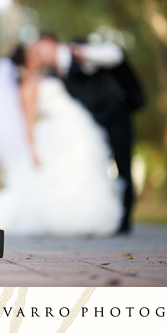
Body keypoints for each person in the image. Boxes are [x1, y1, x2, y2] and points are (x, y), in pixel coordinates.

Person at [0, 43, 124, 237]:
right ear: (27, 61)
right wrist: (33, 151)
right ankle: (70, 217)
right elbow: (27, 122)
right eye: (33, 54)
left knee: (79, 169)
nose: (39, 56)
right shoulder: (28, 86)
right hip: (58, 131)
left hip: (75, 126)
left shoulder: (45, 77)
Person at [34, 33, 145, 234]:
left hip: (115, 112)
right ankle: (109, 215)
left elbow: (115, 55)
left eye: (40, 49)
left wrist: (85, 53)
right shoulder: (54, 72)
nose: (39, 55)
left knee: (123, 164)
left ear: (50, 42)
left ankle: (125, 221)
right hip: (93, 123)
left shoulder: (79, 51)